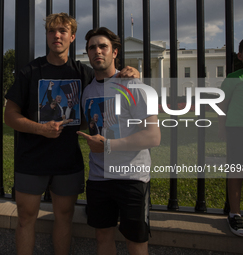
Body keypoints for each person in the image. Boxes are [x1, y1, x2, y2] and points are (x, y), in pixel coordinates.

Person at [4, 13, 140, 255]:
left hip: (67, 161)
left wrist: (132, 73)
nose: (57, 35)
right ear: (46, 35)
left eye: (62, 31)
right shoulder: (30, 71)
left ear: (72, 36)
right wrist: (40, 129)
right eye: (51, 31)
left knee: (64, 218)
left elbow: (108, 82)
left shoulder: (83, 73)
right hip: (31, 159)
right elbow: (10, 115)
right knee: (25, 218)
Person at [77, 27, 161, 255]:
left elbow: (153, 136)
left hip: (131, 177)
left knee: (136, 240)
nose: (97, 51)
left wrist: (108, 145)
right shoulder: (87, 92)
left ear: (115, 52)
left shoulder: (134, 86)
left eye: (103, 46)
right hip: (98, 177)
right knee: (102, 236)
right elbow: (90, 125)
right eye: (92, 47)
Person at [218, 33, 243, 237]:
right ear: (240, 55)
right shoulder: (233, 79)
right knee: (237, 173)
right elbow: (222, 107)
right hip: (239, 131)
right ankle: (235, 213)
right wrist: (221, 128)